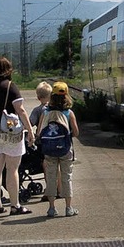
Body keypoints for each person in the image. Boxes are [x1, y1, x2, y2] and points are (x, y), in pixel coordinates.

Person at [0, 56, 34, 215]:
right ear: (7, 70)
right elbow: (20, 109)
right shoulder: (10, 86)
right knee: (12, 169)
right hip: (10, 132)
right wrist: (30, 130)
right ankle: (15, 205)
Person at [38, 81, 80, 218]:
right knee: (66, 177)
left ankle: (51, 208)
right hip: (65, 149)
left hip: (49, 150)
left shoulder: (45, 113)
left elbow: (39, 132)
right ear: (66, 96)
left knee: (51, 177)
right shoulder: (69, 113)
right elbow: (76, 132)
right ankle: (68, 208)